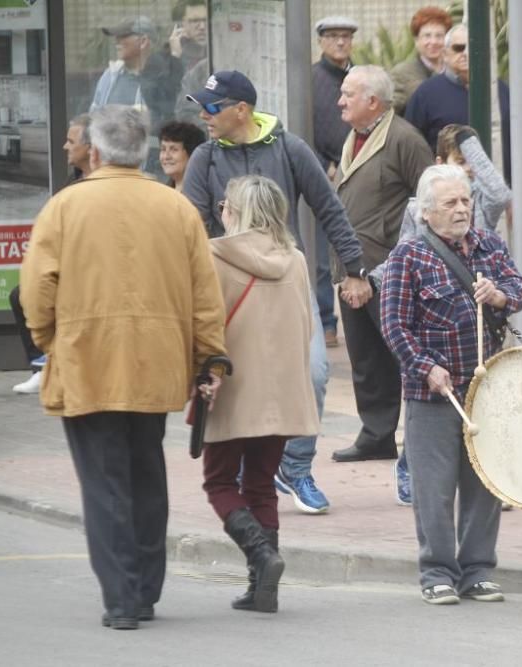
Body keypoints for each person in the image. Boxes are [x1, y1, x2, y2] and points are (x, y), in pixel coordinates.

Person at [18, 105, 227, 630]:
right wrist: (209, 357)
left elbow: (36, 291)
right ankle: (145, 591)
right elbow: (207, 295)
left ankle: (121, 598)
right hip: (157, 362)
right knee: (146, 475)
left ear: (94, 151)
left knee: (104, 481)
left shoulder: (65, 207)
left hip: (87, 358)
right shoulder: (175, 208)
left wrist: (52, 340)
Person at [183, 70, 369, 513]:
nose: (203, 116)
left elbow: (330, 209)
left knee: (315, 374)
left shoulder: (289, 147)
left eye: (211, 107)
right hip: (231, 293)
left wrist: (356, 269)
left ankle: (298, 467)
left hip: (286, 283)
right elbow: (187, 227)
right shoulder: (204, 158)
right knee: (240, 383)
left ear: (240, 110)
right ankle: (250, 471)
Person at [380, 164, 522, 605]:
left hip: (485, 388)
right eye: (451, 203)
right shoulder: (408, 256)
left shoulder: (489, 245)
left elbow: (520, 287)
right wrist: (425, 366)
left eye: (465, 200)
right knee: (434, 487)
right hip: (433, 391)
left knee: (484, 485)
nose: (462, 209)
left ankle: (478, 570)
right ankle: (437, 572)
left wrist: (501, 296)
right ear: (427, 213)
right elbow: (393, 325)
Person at [371, 123, 513, 505]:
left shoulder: (481, 202)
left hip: (479, 340)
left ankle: (487, 484)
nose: (461, 206)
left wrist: (470, 143)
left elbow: (500, 191)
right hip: (434, 326)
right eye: (459, 162)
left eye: (472, 166)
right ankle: (409, 465)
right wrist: (379, 280)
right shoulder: (419, 214)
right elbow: (402, 255)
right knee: (427, 422)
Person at [200, 175, 320, 614]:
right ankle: (262, 589)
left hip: (231, 388)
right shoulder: (297, 261)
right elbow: (307, 327)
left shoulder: (214, 256)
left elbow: (206, 325)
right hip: (283, 393)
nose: (221, 210)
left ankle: (261, 557)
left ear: (237, 211)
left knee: (218, 481)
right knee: (261, 485)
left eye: (225, 205)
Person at [331, 65, 435, 463]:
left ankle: (420, 437)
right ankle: (376, 434)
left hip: (388, 271)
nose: (340, 101)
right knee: (365, 357)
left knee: (401, 353)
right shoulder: (356, 135)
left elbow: (427, 201)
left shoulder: (404, 140)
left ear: (372, 101)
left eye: (348, 95)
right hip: (350, 267)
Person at [11, 114, 92, 394]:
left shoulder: (96, 184)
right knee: (24, 292)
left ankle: (49, 363)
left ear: (91, 148)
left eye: (71, 141)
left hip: (88, 272)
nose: (65, 147)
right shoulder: (75, 180)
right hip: (69, 265)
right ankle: (42, 365)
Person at [404, 24, 511, 178]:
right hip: (449, 188)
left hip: (498, 185)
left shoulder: (501, 90)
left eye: (473, 47)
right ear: (445, 54)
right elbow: (412, 146)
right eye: (459, 48)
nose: (466, 53)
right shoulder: (426, 94)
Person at [313, 15, 360, 348]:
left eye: (345, 37)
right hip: (324, 174)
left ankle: (357, 312)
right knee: (318, 256)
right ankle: (326, 320)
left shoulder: (361, 78)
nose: (340, 43)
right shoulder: (310, 80)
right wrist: (325, 167)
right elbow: (304, 131)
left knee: (354, 247)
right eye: (333, 37)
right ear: (321, 42)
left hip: (358, 173)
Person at [91, 17, 183, 172]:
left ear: (143, 41)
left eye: (123, 37)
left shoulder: (163, 77)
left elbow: (173, 118)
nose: (117, 42)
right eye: (116, 37)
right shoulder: (111, 76)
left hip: (152, 167)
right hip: (110, 165)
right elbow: (94, 115)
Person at [390, 6, 453, 116]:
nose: (433, 42)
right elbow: (391, 112)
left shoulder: (455, 70)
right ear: (416, 40)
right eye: (427, 36)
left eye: (439, 36)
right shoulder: (402, 73)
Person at [158, 120, 205, 190]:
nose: (166, 156)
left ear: (192, 154)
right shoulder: (163, 191)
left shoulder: (202, 196)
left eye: (174, 149)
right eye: (163, 149)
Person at [168, 0, 208, 71]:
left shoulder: (214, 52)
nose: (202, 26)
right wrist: (175, 56)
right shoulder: (165, 59)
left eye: (205, 20)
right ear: (180, 25)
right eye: (195, 21)